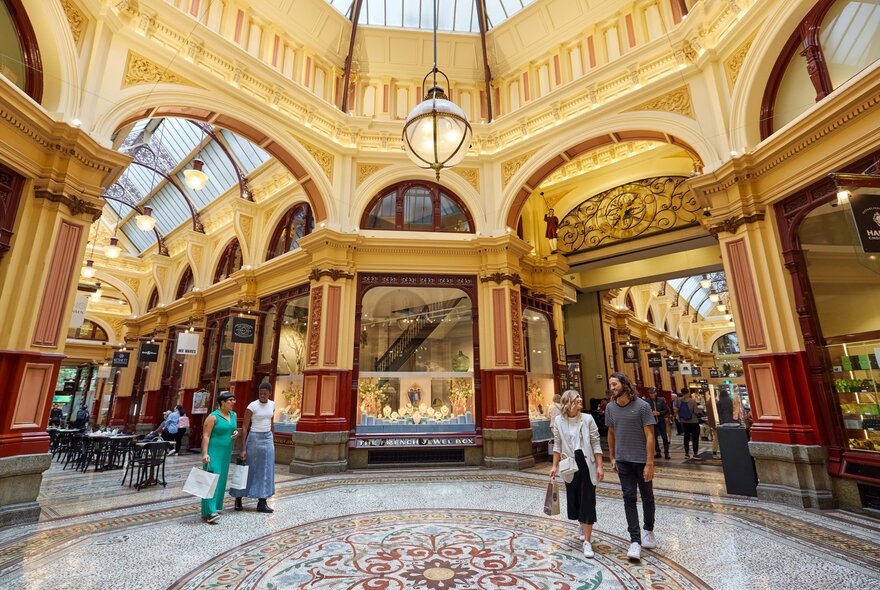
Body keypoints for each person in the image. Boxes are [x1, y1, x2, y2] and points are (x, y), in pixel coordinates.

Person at [605, 372, 656, 561]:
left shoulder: (642, 406)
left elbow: (650, 435)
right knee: (629, 497)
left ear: (625, 385)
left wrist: (650, 462)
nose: (612, 387)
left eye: (615, 384)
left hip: (641, 460)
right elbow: (611, 432)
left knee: (647, 496)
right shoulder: (610, 408)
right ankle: (635, 540)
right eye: (611, 385)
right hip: (623, 460)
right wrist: (612, 457)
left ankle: (648, 530)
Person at [549, 390, 603, 559]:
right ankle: (581, 522)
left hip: (586, 462)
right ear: (568, 402)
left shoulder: (587, 419)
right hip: (568, 464)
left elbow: (595, 443)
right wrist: (554, 466)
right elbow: (557, 444)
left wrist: (600, 466)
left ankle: (587, 541)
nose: (580, 399)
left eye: (580, 396)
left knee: (588, 499)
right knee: (575, 498)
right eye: (577, 398)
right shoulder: (559, 420)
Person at [232, 381, 276, 514]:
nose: (262, 395)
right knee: (249, 468)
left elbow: (271, 422)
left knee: (267, 470)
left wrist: (272, 438)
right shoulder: (252, 406)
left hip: (267, 438)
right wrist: (243, 448)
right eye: (260, 393)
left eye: (265, 393)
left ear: (269, 393)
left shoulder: (272, 404)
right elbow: (245, 426)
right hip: (254, 437)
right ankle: (238, 498)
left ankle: (262, 502)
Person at [201, 391, 239, 524]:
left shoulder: (233, 415)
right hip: (214, 452)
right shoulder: (213, 417)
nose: (233, 403)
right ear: (222, 402)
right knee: (211, 479)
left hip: (226, 452)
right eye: (231, 400)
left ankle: (215, 507)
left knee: (221, 479)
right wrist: (205, 453)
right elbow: (206, 436)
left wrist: (235, 433)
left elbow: (233, 429)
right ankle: (209, 511)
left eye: (234, 400)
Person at [645, 389, 670, 460]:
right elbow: (644, 411)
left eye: (653, 393)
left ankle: (666, 453)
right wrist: (651, 413)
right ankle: (658, 452)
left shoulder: (661, 400)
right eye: (650, 393)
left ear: (656, 393)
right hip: (652, 422)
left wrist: (659, 413)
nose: (651, 394)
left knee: (664, 437)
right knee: (654, 438)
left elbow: (666, 410)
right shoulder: (646, 401)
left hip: (661, 421)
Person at [678, 389, 700, 460]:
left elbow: (676, 410)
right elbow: (696, 411)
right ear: (688, 393)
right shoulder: (692, 401)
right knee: (695, 438)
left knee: (686, 438)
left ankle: (686, 453)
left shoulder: (679, 400)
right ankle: (695, 454)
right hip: (693, 422)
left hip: (684, 422)